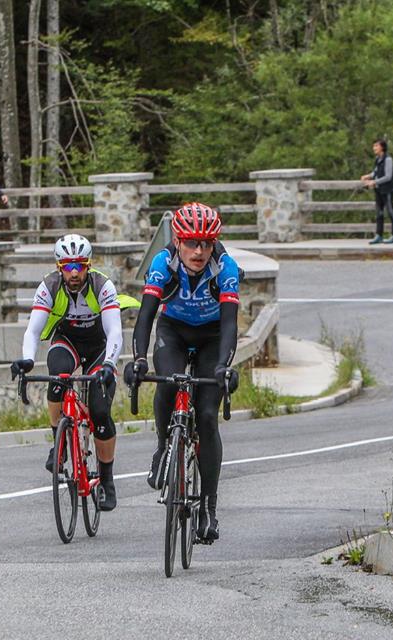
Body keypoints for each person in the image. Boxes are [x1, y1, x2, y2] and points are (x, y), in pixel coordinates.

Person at [126, 202, 240, 543]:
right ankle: (163, 448)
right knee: (167, 383)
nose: (200, 251)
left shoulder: (226, 268)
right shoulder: (163, 264)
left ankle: (208, 508)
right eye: (192, 243)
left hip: (212, 336)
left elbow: (231, 324)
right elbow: (145, 316)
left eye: (206, 243)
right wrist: (138, 359)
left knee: (206, 416)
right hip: (174, 331)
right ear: (178, 241)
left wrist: (224, 366)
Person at [10, 234, 123, 511]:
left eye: (80, 266)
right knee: (57, 377)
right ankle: (57, 444)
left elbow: (115, 330)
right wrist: (26, 359)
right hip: (68, 341)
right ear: (60, 267)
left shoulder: (102, 285)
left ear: (88, 265)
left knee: (99, 412)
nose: (75, 272)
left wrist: (109, 364)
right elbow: (33, 330)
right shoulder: (49, 285)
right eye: (69, 266)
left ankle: (107, 481)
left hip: (99, 346)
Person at [360, 139, 393, 244]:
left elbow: (388, 176)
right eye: (373, 146)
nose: (374, 148)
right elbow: (376, 171)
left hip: (387, 190)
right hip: (378, 189)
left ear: (382, 147)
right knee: (379, 213)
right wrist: (368, 176)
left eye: (376, 146)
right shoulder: (378, 159)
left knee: (391, 212)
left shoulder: (388, 159)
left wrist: (374, 181)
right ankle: (379, 236)